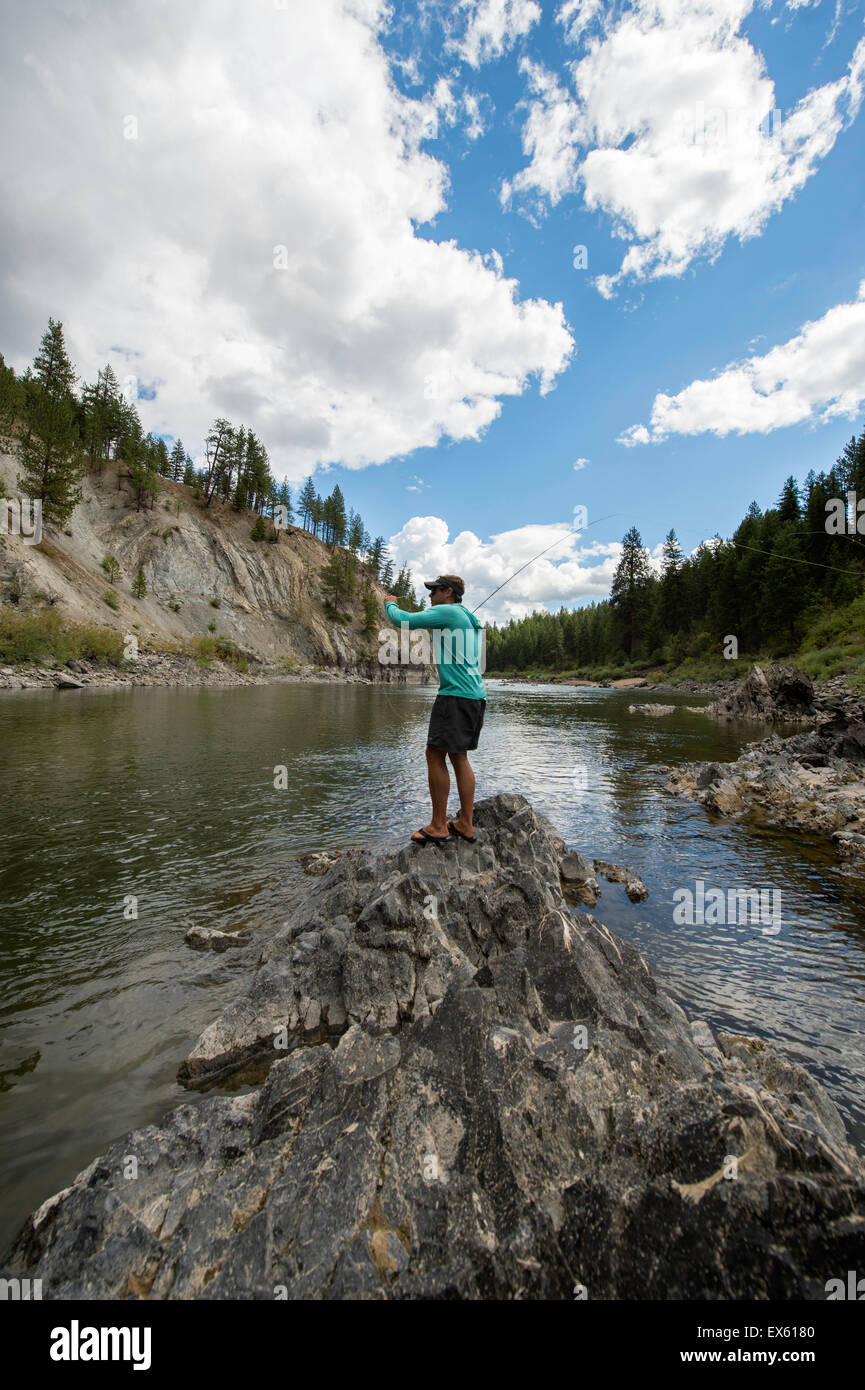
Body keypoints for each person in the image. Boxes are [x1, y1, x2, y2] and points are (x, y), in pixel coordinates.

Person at [384, 574, 486, 845]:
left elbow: (402, 621)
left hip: (454, 697)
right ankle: (465, 823)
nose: (429, 596)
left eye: (434, 591)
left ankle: (439, 825)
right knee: (459, 757)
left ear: (448, 592)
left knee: (434, 754)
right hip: (475, 697)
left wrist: (389, 604)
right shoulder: (465, 617)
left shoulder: (448, 612)